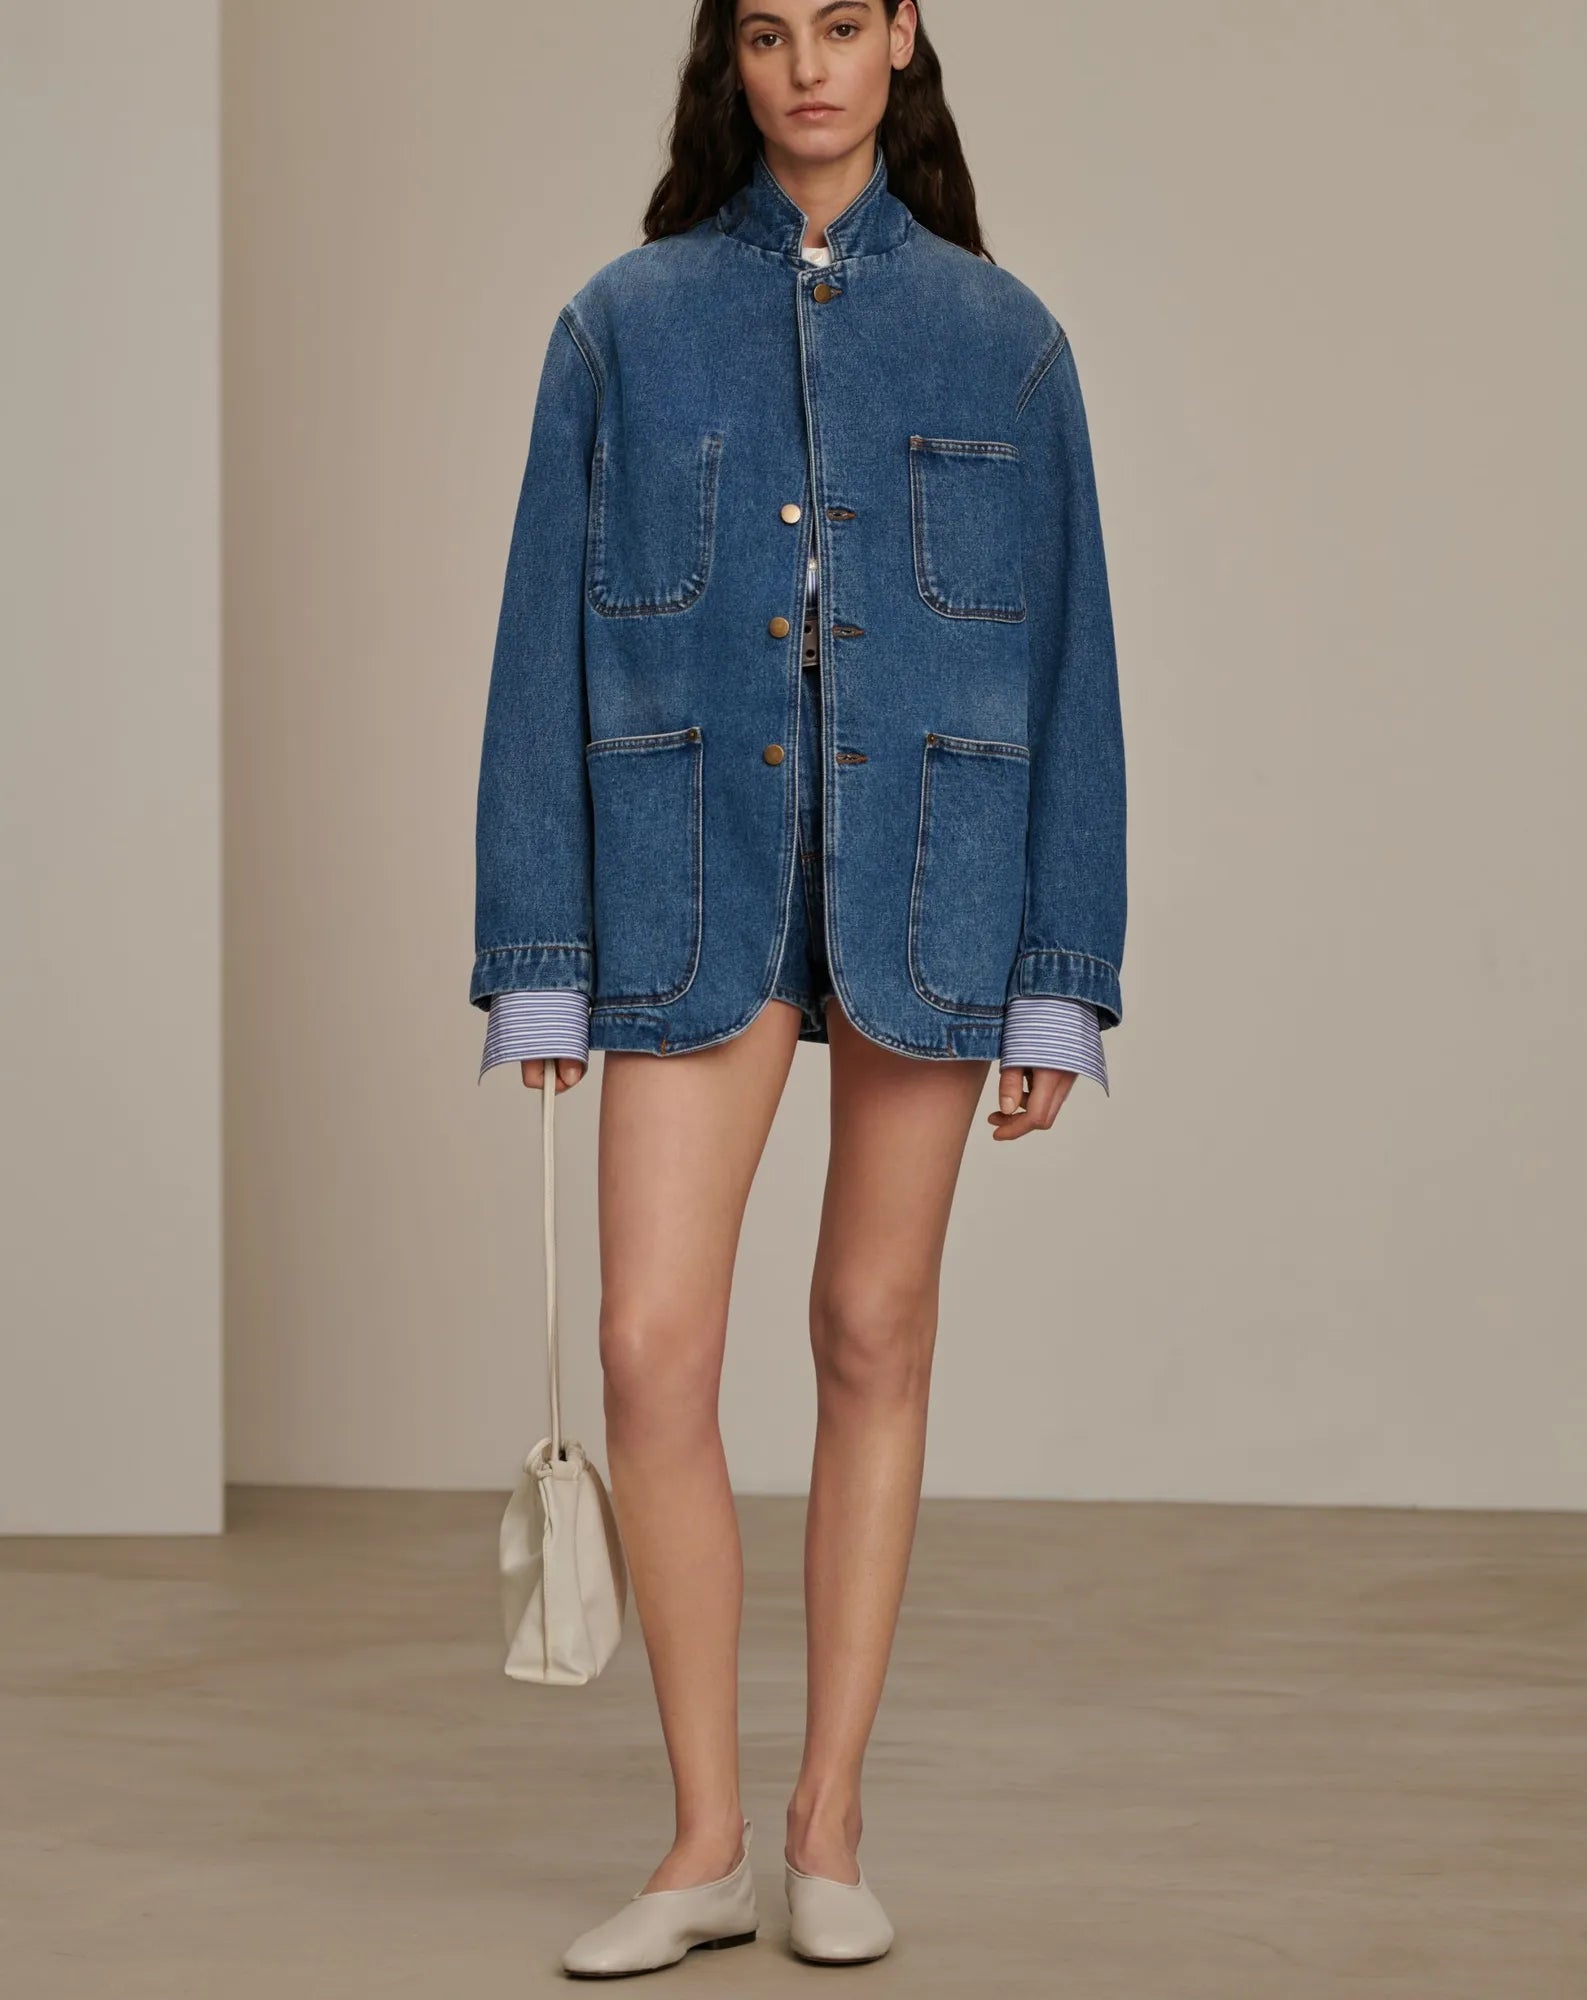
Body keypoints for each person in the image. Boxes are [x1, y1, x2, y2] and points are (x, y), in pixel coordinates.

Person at [470, 0, 1126, 1976]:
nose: (808, 67)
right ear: (730, 61)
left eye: (842, 23)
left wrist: (1058, 980)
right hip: (694, 880)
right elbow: (536, 649)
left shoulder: (1005, 343)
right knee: (651, 1348)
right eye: (767, 33)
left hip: (932, 875)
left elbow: (1069, 668)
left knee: (868, 1328)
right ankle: (702, 1845)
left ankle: (827, 1821)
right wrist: (540, 964)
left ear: (903, 36)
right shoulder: (621, 326)